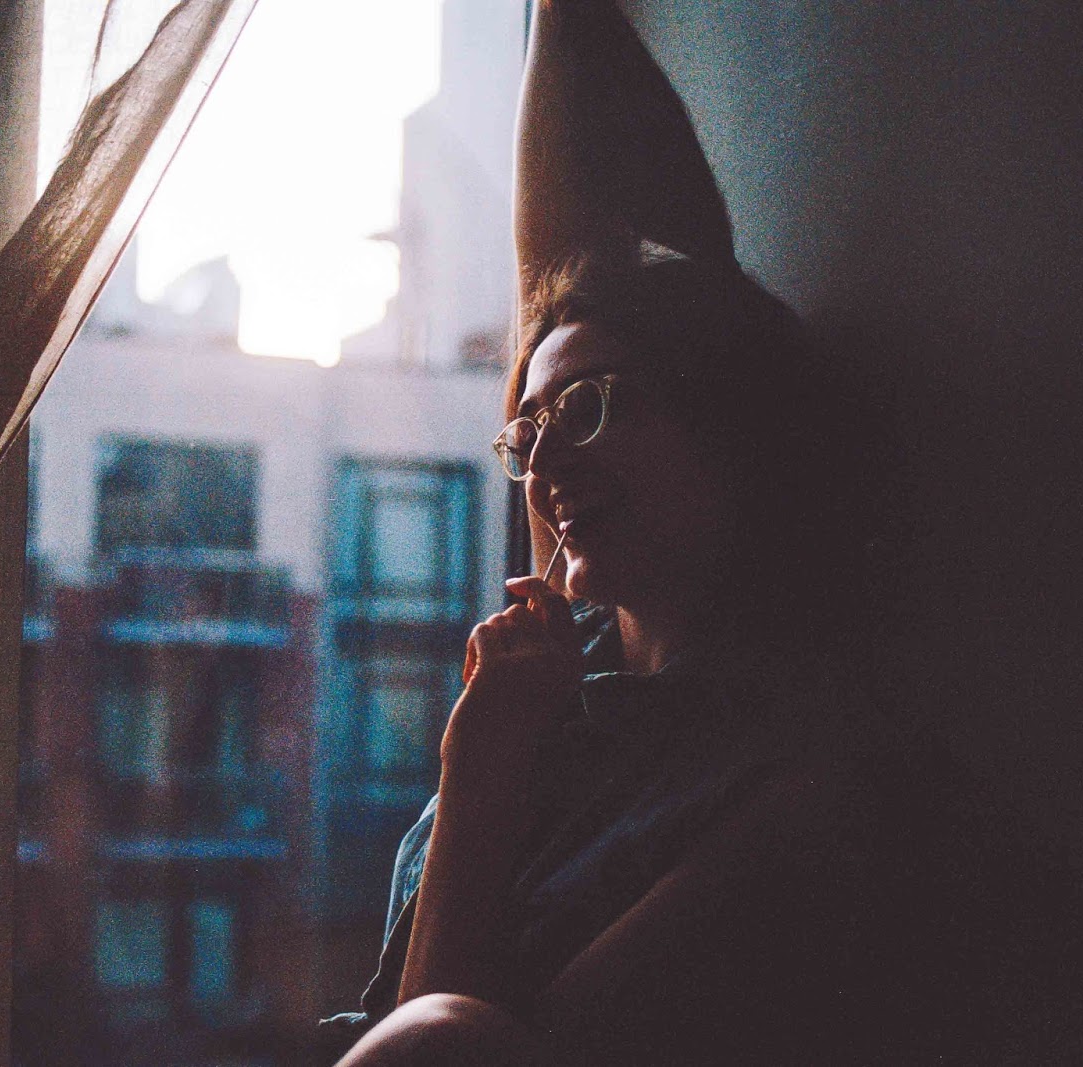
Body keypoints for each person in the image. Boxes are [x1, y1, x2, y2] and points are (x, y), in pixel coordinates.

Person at [317, 2, 958, 1062]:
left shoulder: (795, 792)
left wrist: (480, 770)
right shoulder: (553, 693)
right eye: (527, 431)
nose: (543, 463)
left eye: (587, 408)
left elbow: (450, 1051)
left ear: (732, 422)